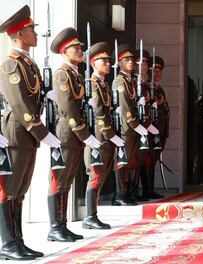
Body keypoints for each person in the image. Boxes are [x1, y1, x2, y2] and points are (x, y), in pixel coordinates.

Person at [0, 5, 61, 260]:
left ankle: (18, 240)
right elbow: (21, 105)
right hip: (17, 133)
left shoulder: (29, 63)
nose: (35, 34)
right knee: (10, 189)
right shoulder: (11, 64)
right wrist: (42, 132)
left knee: (21, 190)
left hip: (27, 136)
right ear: (18, 34)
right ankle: (7, 243)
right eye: (30, 30)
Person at [48, 27, 101, 239]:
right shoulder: (62, 74)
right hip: (66, 133)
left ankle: (61, 225)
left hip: (75, 135)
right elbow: (67, 107)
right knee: (59, 179)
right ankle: (55, 227)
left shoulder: (76, 75)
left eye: (80, 47)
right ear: (64, 51)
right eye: (75, 48)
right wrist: (83, 132)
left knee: (68, 179)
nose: (80, 51)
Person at [82, 42, 124, 229]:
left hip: (105, 139)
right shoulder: (92, 84)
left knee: (102, 175)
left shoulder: (104, 85)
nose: (108, 63)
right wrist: (110, 135)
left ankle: (93, 215)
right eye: (103, 60)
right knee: (96, 175)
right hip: (98, 138)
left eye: (108, 60)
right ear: (93, 63)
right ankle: (89, 216)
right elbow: (98, 112)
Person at [113, 44, 148, 205]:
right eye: (126, 60)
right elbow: (126, 106)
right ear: (119, 63)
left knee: (130, 161)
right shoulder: (120, 81)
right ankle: (119, 194)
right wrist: (136, 124)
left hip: (132, 129)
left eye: (132, 60)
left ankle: (126, 192)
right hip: (126, 128)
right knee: (122, 161)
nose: (131, 62)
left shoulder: (131, 81)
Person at [141, 55, 168, 200]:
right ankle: (147, 190)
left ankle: (150, 189)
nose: (157, 73)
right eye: (153, 70)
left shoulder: (159, 89)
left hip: (160, 131)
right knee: (148, 160)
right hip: (151, 130)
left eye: (159, 70)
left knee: (153, 160)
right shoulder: (146, 87)